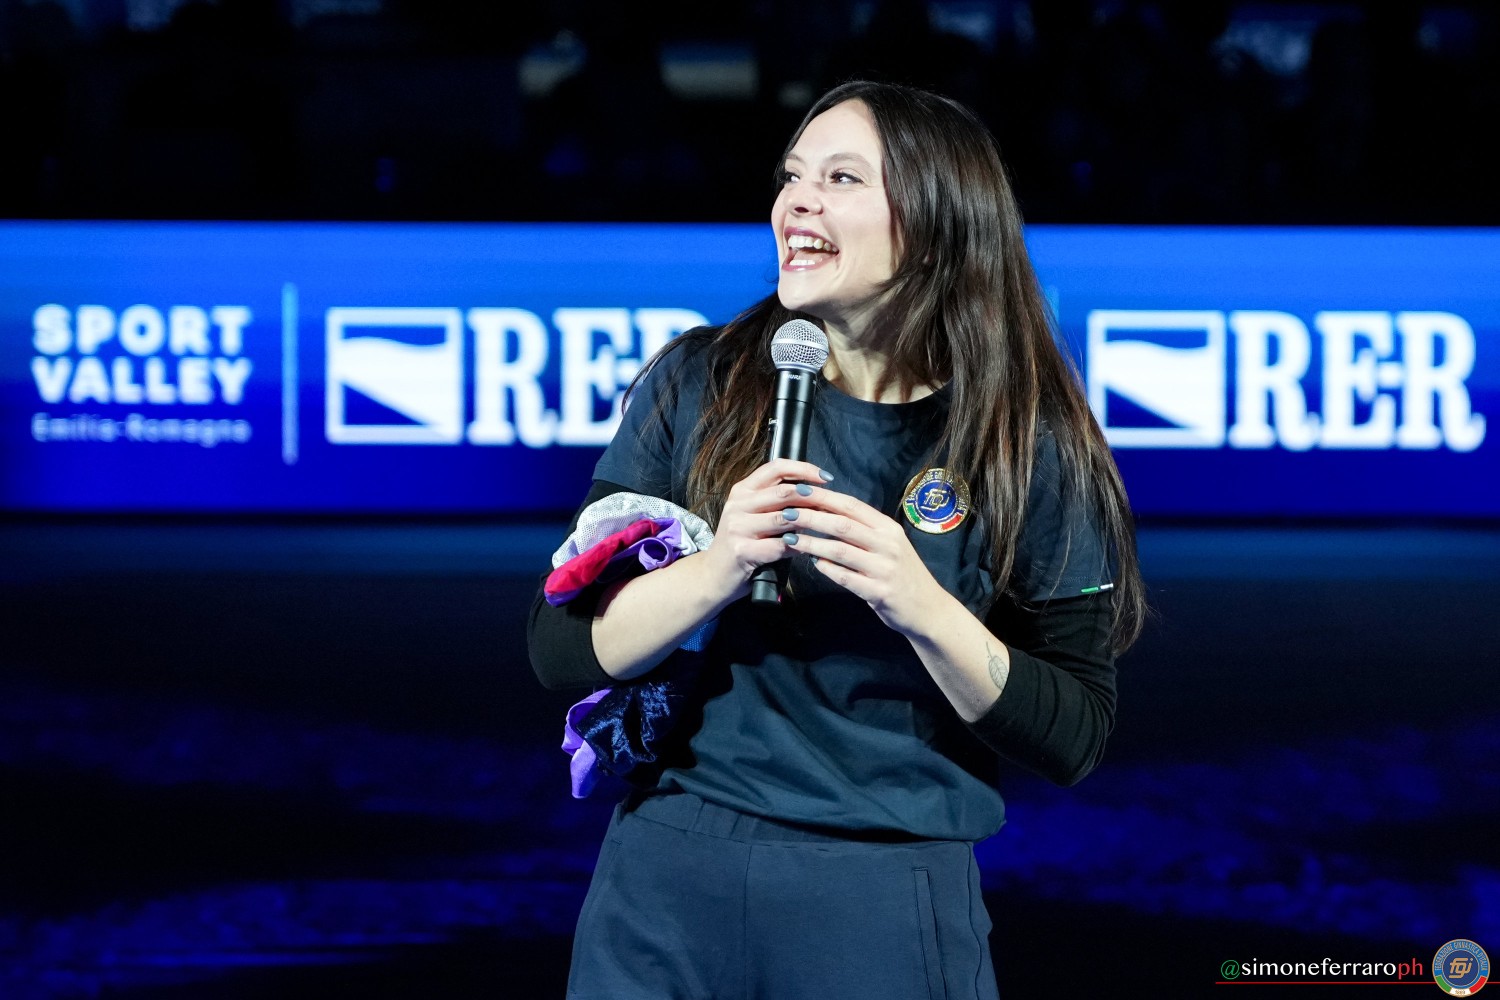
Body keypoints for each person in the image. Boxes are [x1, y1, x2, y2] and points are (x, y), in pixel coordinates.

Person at [528, 79, 1145, 1000]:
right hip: (667, 874)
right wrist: (719, 567)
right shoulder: (698, 382)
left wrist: (921, 606)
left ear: (933, 224)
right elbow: (559, 649)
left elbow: (1077, 732)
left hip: (883, 890)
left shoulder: (1027, 440)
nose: (798, 203)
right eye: (792, 176)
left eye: (842, 178)